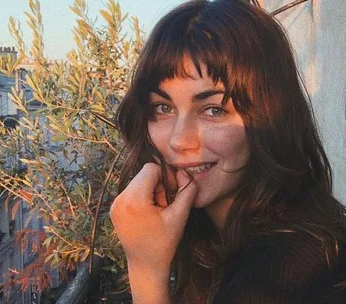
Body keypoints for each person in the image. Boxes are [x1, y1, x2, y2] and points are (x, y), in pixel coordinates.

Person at [110, 0, 346, 303]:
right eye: (164, 107)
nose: (179, 141)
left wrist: (145, 270)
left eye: (213, 110)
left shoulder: (282, 268)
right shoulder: (218, 238)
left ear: (270, 119)